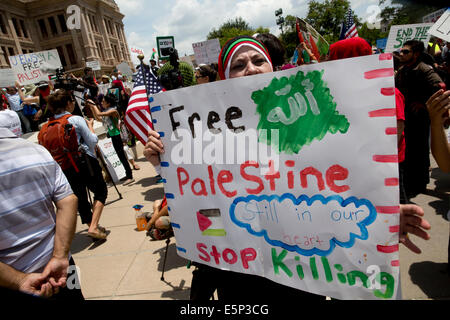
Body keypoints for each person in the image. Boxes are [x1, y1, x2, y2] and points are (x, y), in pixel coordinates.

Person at [144, 35, 431, 300]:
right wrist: (163, 164)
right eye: (239, 65)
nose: (251, 69)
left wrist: (380, 215)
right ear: (224, 78)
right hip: (241, 277)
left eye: (258, 61)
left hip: (303, 278)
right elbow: (199, 197)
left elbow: (343, 183)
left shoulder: (309, 125)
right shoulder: (206, 133)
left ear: (274, 68)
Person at [0, 125, 82, 299]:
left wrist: (19, 280)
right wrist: (60, 256)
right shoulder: (36, 151)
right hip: (62, 268)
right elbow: (68, 200)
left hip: (12, 282)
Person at [39, 90, 109, 240]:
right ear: (68, 104)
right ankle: (94, 226)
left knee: (80, 198)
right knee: (101, 190)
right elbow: (92, 141)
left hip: (64, 166)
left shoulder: (46, 126)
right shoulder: (76, 120)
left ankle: (91, 225)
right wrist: (90, 126)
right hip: (84, 162)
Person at [395, 39, 445, 200]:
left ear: (416, 54)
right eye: (401, 51)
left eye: (406, 51)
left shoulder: (424, 69)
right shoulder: (402, 70)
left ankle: (420, 183)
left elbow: (440, 87)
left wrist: (424, 104)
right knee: (408, 150)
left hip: (419, 117)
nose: (401, 54)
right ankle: (410, 183)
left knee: (420, 150)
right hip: (405, 115)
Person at [88, 93, 134, 185]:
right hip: (113, 136)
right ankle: (127, 173)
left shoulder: (113, 110)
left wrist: (93, 104)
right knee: (120, 156)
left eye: (103, 101)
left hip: (118, 136)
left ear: (108, 103)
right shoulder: (108, 111)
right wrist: (92, 108)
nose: (101, 103)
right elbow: (98, 118)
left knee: (122, 156)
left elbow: (99, 113)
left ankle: (130, 176)